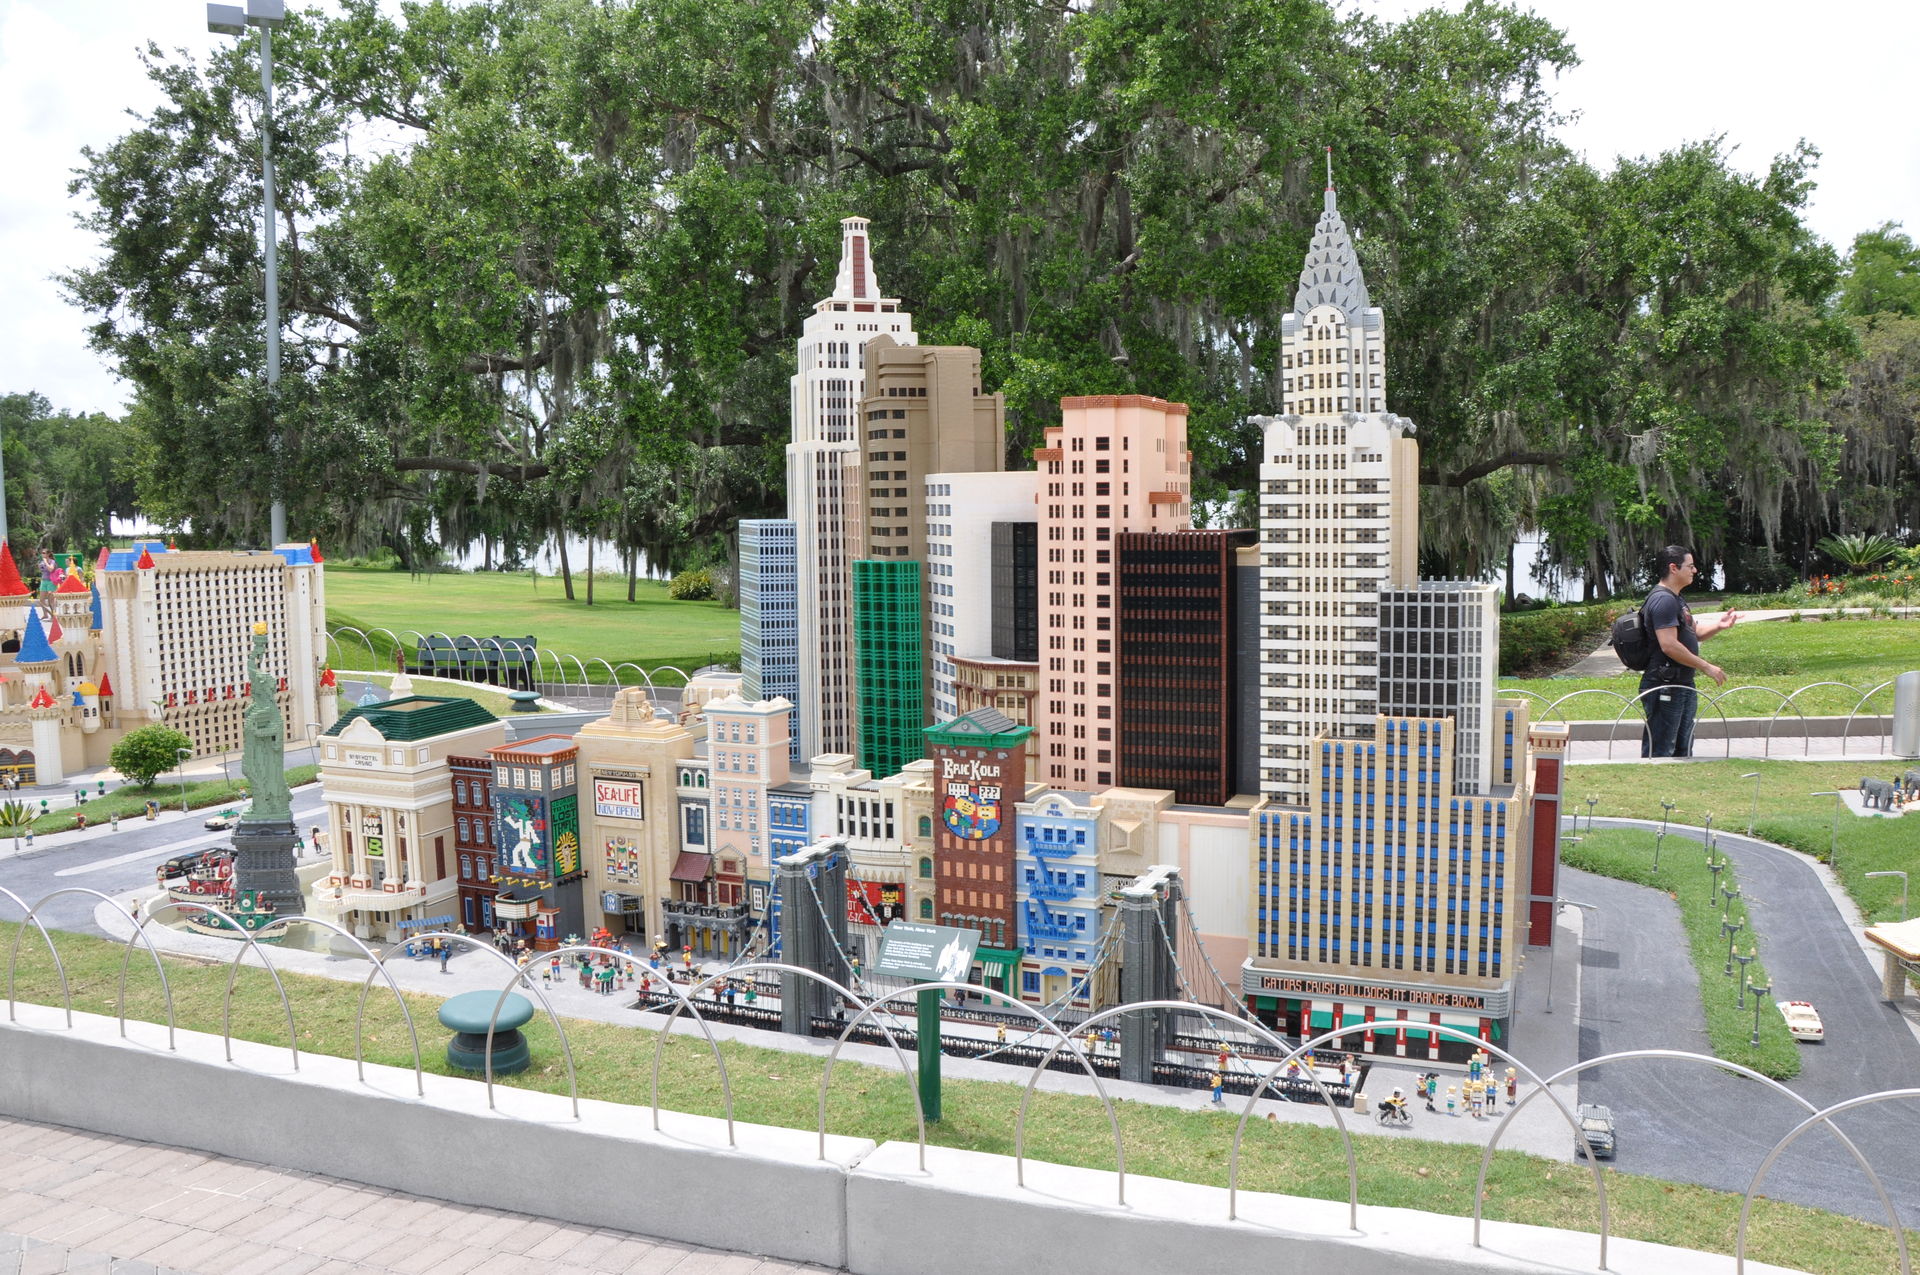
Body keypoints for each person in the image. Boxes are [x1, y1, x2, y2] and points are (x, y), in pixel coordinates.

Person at [1640, 545, 1739, 758]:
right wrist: (1706, 666)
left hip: (1682, 683)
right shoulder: (1663, 600)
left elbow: (1695, 632)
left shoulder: (1676, 599)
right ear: (1673, 568)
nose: (1695, 570)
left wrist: (1719, 625)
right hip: (1665, 684)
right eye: (1690, 566)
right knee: (1661, 750)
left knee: (1682, 749)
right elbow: (1669, 645)